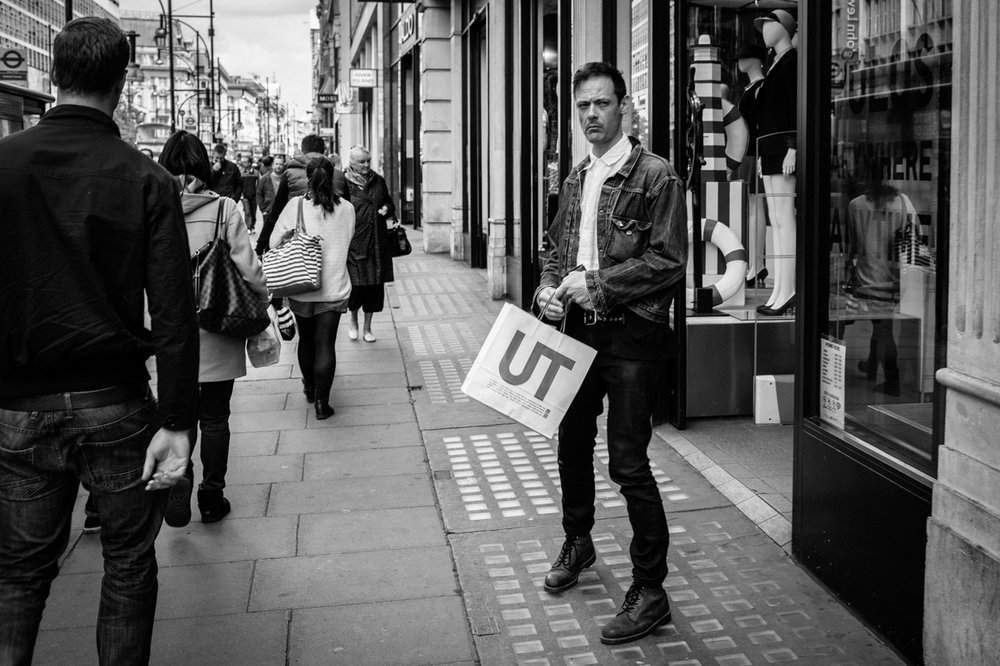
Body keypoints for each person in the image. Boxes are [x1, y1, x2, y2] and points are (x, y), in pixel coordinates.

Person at [0, 17, 198, 664]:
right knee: (128, 563)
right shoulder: (144, 178)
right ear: (122, 81)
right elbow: (173, 313)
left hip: (18, 403)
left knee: (19, 572)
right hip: (112, 401)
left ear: (56, 74)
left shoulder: (5, 164)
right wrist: (179, 421)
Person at [535, 62, 687, 646]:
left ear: (623, 106)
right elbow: (555, 247)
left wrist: (596, 285)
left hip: (632, 338)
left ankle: (650, 591)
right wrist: (550, 288)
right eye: (583, 106)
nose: (592, 114)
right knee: (571, 446)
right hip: (578, 333)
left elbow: (668, 261)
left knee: (628, 463)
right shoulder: (576, 177)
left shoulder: (656, 176)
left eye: (601, 103)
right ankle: (579, 541)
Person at [159, 131, 270, 524]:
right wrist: (265, 300)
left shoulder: (151, 207)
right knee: (216, 417)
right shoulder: (224, 208)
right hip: (218, 322)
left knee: (179, 416)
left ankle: (180, 475)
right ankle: (211, 495)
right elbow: (249, 268)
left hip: (168, 330)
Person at [270, 157, 355, 420]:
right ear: (333, 177)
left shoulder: (295, 206)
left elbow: (273, 242)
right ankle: (322, 403)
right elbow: (348, 239)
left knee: (306, 341)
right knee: (326, 344)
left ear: (308, 178)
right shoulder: (347, 208)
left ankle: (309, 388)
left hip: (302, 286)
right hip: (334, 287)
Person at [749, 9, 797, 315]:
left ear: (783, 27)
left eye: (769, 24)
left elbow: (795, 107)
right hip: (769, 149)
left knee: (784, 217)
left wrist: (794, 146)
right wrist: (760, 154)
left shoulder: (792, 63)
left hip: (782, 148)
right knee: (776, 219)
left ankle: (787, 288)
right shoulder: (777, 64)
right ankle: (780, 287)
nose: (764, 30)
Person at [255, 134, 349, 256]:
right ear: (324, 151)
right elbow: (347, 211)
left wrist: (261, 246)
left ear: (303, 151)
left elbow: (276, 211)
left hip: (300, 245)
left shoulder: (289, 174)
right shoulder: (339, 176)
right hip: (332, 241)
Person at [344, 145, 397, 343]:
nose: (366, 165)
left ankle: (367, 328)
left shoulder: (378, 180)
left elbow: (389, 203)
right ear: (352, 163)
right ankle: (353, 322)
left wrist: (386, 209)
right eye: (362, 162)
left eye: (368, 161)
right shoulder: (343, 182)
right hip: (354, 242)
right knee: (356, 288)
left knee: (374, 288)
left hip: (376, 243)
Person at [732, 42, 769, 288]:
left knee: (756, 207)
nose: (739, 63)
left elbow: (761, 124)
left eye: (742, 58)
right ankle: (756, 265)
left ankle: (758, 265)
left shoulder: (761, 87)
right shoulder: (750, 88)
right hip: (747, 153)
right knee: (752, 208)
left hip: (754, 153)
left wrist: (761, 155)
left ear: (754, 60)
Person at [256, 154, 283, 223]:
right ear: (272, 165)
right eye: (276, 164)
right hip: (268, 211)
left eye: (280, 164)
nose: (278, 166)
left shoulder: (286, 178)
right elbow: (259, 193)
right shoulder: (265, 178)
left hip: (283, 212)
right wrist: (263, 210)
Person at [239, 154, 260, 232]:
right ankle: (248, 227)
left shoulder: (256, 173)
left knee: (253, 212)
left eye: (245, 162)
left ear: (250, 163)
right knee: (247, 212)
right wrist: (240, 194)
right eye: (243, 162)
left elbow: (259, 184)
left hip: (254, 196)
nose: (243, 163)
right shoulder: (241, 173)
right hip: (245, 196)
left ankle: (252, 226)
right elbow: (239, 184)